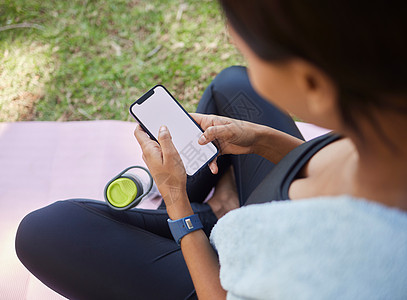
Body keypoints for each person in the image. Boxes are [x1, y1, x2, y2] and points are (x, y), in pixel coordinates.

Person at [15, 0, 407, 299]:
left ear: (312, 82)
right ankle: (219, 204)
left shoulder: (349, 268)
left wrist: (175, 201)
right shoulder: (388, 128)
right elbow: (321, 166)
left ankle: (207, 211)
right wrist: (260, 139)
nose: (247, 59)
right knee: (232, 85)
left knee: (43, 231)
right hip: (268, 215)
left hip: (223, 277)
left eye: (253, 53)